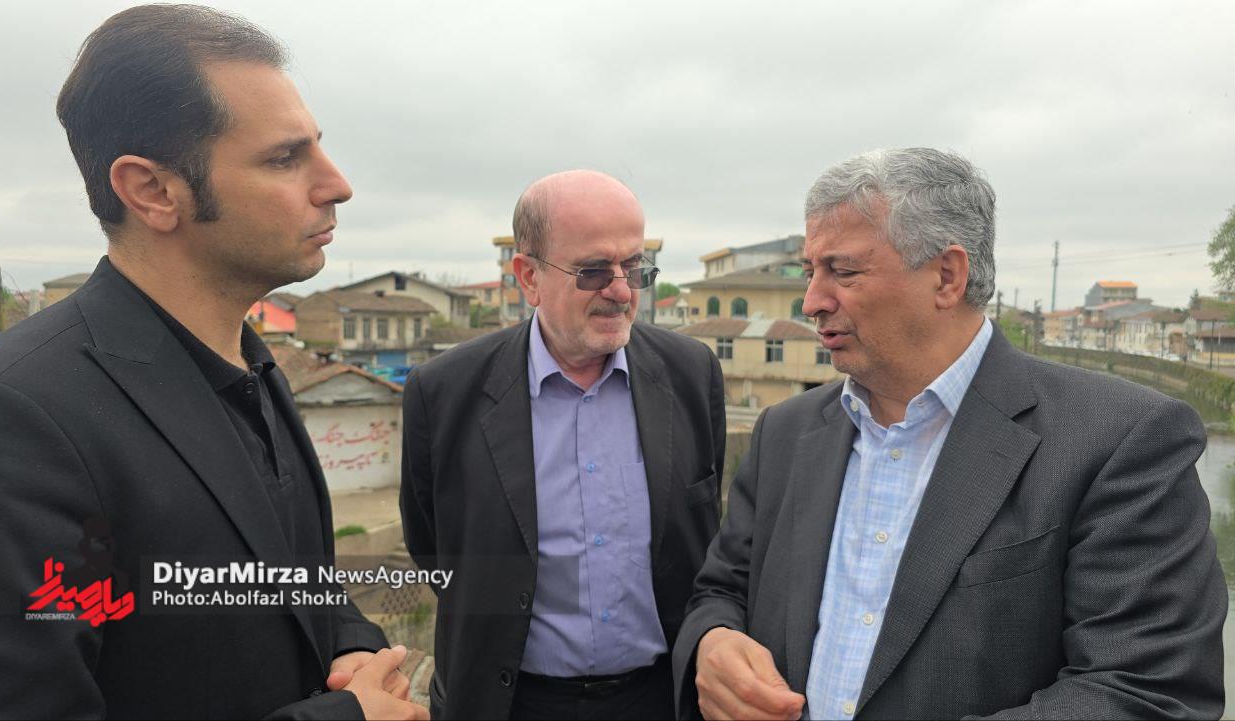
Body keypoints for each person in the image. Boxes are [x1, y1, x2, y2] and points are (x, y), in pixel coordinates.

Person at [0, 5, 427, 719]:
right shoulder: (10, 418)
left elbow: (290, 582)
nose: (336, 184)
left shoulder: (252, 370)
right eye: (284, 158)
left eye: (318, 149)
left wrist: (350, 647)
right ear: (152, 191)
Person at [674, 148, 1226, 720]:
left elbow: (1144, 689)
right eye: (811, 270)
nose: (812, 301)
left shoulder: (1119, 439)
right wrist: (713, 642)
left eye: (843, 271)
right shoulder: (785, 432)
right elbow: (722, 589)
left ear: (946, 276)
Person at [400, 170, 726, 719]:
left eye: (635, 267)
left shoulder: (691, 373)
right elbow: (432, 546)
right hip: (509, 704)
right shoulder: (444, 392)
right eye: (593, 271)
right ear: (529, 277)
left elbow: (706, 537)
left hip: (662, 699)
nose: (620, 291)